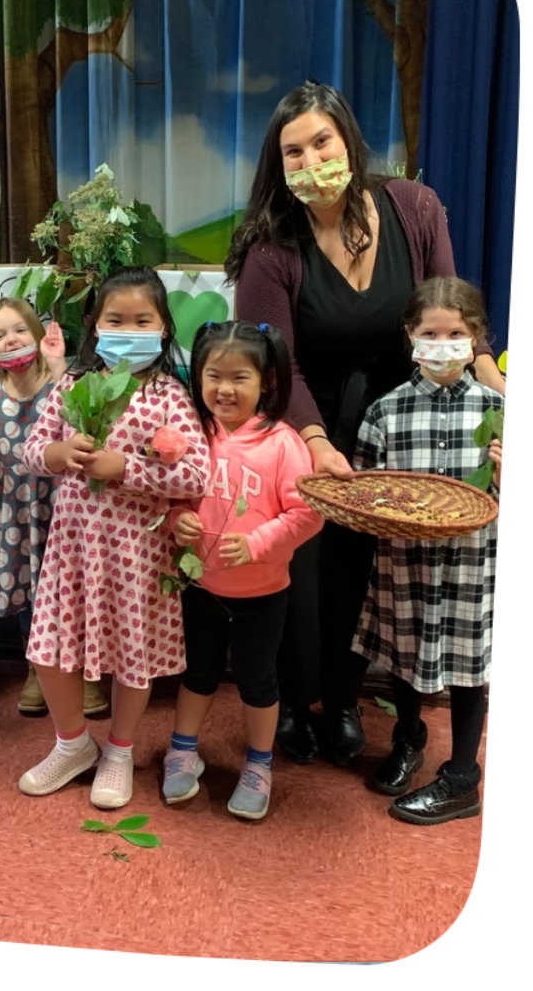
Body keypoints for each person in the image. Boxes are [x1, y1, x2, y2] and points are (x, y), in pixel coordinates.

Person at [227, 81, 506, 767]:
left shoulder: (413, 208)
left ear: (348, 140)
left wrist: (492, 379)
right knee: (305, 565)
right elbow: (273, 360)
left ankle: (347, 701)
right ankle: (293, 704)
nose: (311, 159)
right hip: (302, 425)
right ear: (280, 164)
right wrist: (317, 442)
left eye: (322, 141)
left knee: (367, 570)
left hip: (403, 422)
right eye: (293, 151)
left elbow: (451, 314)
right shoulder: (271, 244)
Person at [17, 266, 211, 810]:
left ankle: (120, 750)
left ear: (164, 327)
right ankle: (73, 743)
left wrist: (123, 467)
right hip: (72, 552)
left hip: (139, 555)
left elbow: (197, 474)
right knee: (50, 650)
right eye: (116, 320)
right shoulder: (72, 386)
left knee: (134, 655)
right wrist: (60, 454)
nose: (129, 330)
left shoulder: (170, 395)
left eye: (142, 320)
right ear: (94, 325)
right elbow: (33, 450)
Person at [352, 279, 500, 824]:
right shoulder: (386, 410)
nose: (443, 344)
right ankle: (407, 736)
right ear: (410, 335)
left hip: (470, 563)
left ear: (476, 337)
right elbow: (366, 486)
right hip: (404, 560)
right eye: (430, 333)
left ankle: (462, 776)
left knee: (467, 664)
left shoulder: (497, 409)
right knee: (403, 651)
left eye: (456, 333)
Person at [162, 322, 322, 819]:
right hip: (201, 586)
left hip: (264, 593)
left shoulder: (283, 442)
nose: (224, 389)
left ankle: (259, 763)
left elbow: (308, 513)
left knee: (258, 680)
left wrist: (255, 544)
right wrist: (176, 520)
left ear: (267, 381)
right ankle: (182, 749)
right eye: (213, 376)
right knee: (199, 673)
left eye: (239, 378)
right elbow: (171, 496)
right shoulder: (192, 435)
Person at [0, 298, 108, 718]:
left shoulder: (62, 384)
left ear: (37, 334)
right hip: (14, 511)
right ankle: (37, 669)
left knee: (73, 590)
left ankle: (85, 673)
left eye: (18, 330)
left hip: (64, 507)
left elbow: (81, 422)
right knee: (29, 598)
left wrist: (57, 367)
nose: (10, 339)